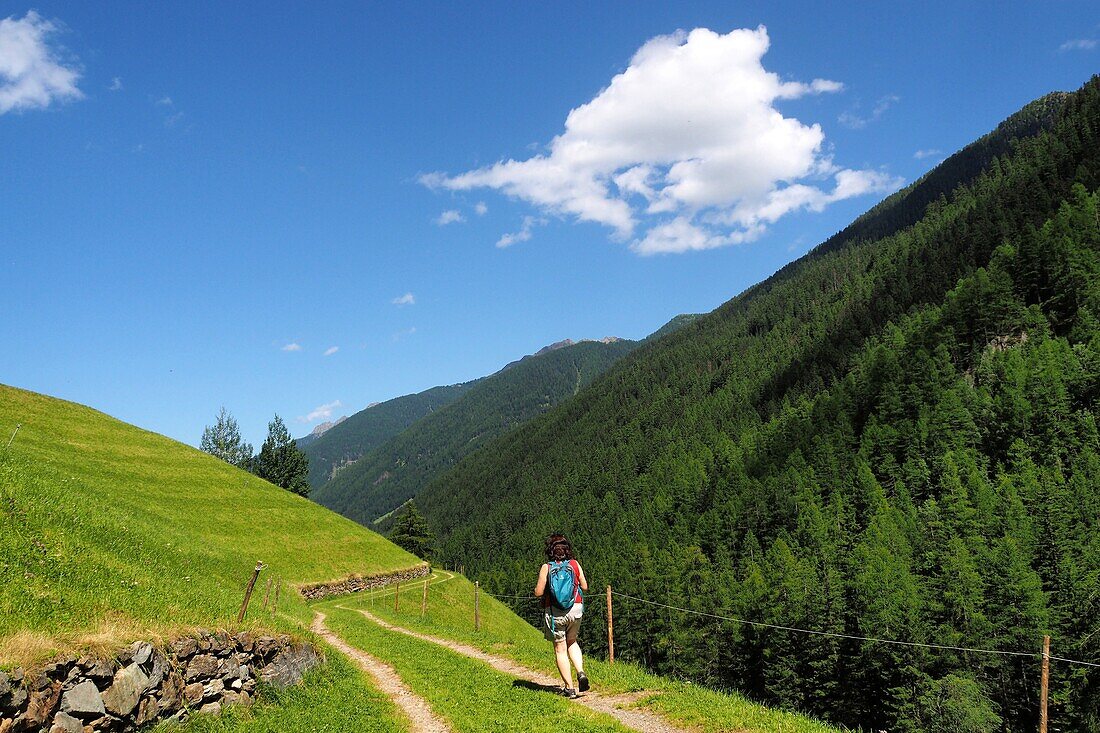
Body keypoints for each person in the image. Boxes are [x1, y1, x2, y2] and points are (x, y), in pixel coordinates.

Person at [534, 533, 589, 698]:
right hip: (575, 609)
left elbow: (538, 592)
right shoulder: (574, 564)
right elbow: (585, 587)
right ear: (567, 550)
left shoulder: (547, 567)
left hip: (556, 612)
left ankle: (569, 688)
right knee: (572, 641)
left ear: (550, 551)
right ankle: (580, 672)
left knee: (560, 648)